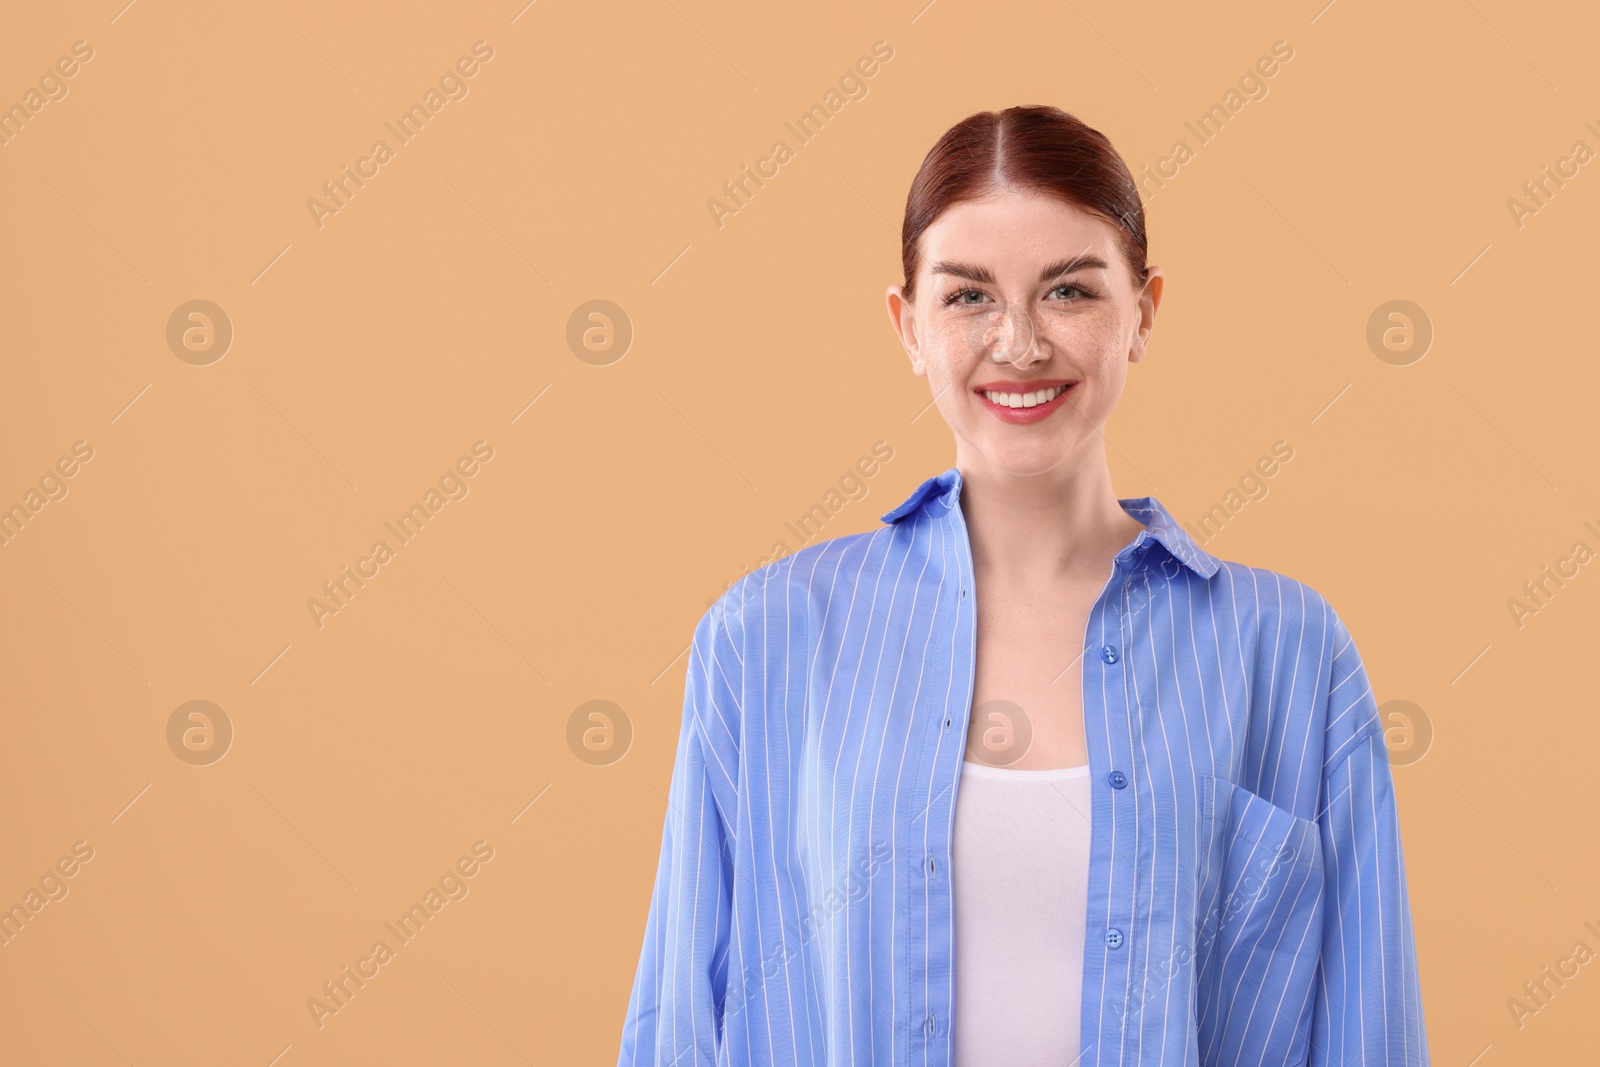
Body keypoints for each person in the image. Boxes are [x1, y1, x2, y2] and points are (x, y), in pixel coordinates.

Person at [617, 104, 1429, 1067]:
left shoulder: (1291, 650)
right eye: (967, 297)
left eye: (1069, 292)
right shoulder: (762, 638)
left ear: (1145, 312)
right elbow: (679, 1026)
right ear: (907, 325)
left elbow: (1366, 1030)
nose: (1019, 345)